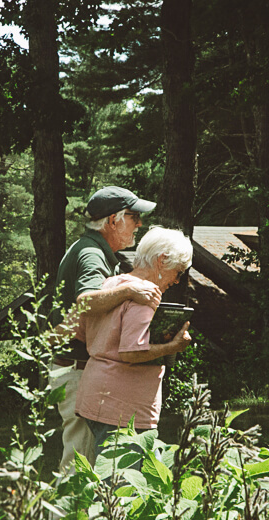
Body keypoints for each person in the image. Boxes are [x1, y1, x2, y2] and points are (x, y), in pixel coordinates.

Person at [53, 186, 161, 473]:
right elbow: (86, 300)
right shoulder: (91, 254)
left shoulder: (92, 250)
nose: (139, 223)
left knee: (84, 464)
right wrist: (130, 290)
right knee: (79, 468)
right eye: (134, 216)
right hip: (76, 370)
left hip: (77, 369)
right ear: (114, 220)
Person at [73, 227, 193, 463]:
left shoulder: (111, 284)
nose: (177, 281)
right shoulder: (146, 295)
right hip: (122, 410)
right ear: (162, 260)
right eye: (178, 272)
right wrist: (173, 346)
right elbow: (131, 352)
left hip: (97, 396)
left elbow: (83, 332)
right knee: (122, 490)